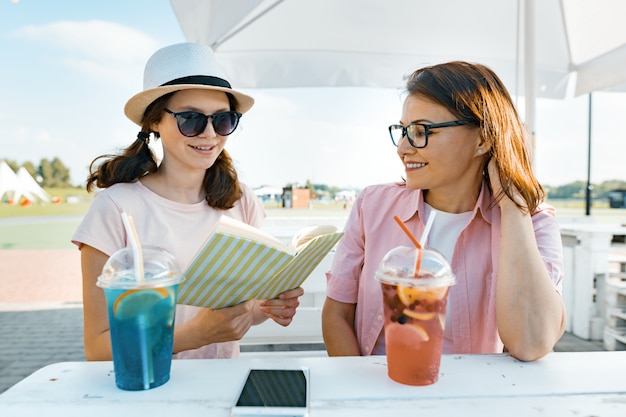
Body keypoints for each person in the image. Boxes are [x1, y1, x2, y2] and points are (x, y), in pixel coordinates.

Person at [321, 61, 566, 362]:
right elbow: (337, 314)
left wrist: (513, 202)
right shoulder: (373, 206)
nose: (402, 147)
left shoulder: (533, 222)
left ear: (484, 138)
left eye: (422, 131)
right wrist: (363, 397)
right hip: (377, 392)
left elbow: (531, 342)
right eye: (403, 130)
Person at [72, 42, 303, 361]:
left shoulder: (242, 200)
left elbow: (241, 313)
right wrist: (194, 335)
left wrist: (266, 307)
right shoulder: (114, 209)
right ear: (153, 121)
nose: (210, 134)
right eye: (191, 119)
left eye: (223, 120)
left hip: (225, 393)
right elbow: (98, 348)